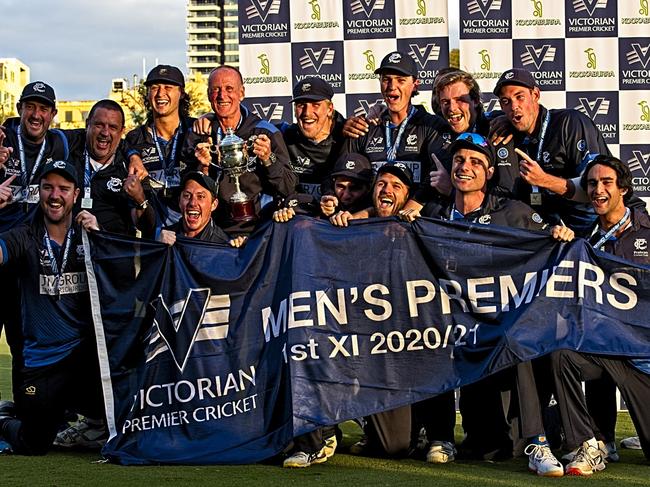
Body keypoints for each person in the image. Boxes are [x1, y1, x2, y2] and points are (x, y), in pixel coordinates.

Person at [420, 132, 574, 477]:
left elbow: (550, 241)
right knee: (486, 449)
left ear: (489, 173)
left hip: (497, 325)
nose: (465, 167)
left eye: (476, 162)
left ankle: (538, 442)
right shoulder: (433, 214)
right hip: (452, 326)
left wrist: (559, 237)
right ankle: (439, 437)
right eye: (459, 160)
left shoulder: (512, 211)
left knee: (516, 338)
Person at [552, 155, 650, 476]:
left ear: (623, 188)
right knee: (562, 353)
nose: (598, 190)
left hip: (642, 358)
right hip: (605, 352)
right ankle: (591, 442)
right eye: (592, 184)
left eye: (606, 182)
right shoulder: (585, 239)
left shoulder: (647, 233)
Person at [0, 160, 104, 455]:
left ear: (76, 194)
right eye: (48, 188)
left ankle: (95, 420)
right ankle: (4, 418)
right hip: (41, 362)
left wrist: (99, 236)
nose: (55, 195)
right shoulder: (24, 236)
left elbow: (123, 273)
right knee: (34, 444)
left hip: (83, 357)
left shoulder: (89, 235)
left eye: (63, 188)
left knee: (123, 389)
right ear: (39, 192)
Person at [492, 68, 609, 235]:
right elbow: (468, 115)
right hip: (555, 232)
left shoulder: (570, 123)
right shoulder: (507, 127)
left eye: (520, 97)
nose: (514, 107)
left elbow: (598, 188)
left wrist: (544, 180)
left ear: (536, 95)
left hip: (597, 227)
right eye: (506, 101)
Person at [183, 65, 296, 235]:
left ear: (241, 93)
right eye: (216, 90)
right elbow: (185, 192)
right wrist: (203, 168)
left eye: (229, 89)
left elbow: (288, 187)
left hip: (259, 229)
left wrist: (268, 158)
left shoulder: (265, 132)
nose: (222, 96)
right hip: (214, 232)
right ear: (208, 95)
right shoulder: (198, 134)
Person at [340, 51, 453, 215]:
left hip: (416, 224)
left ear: (415, 84)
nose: (392, 86)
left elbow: (436, 177)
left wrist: (407, 211)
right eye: (386, 79)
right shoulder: (365, 127)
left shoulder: (433, 126)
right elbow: (343, 172)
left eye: (401, 80)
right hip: (371, 223)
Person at [66, 99, 156, 237]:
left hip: (113, 253)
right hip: (69, 252)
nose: (105, 132)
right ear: (87, 124)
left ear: (122, 131)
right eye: (99, 125)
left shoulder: (133, 168)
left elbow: (146, 227)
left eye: (113, 127)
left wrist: (140, 199)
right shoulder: (68, 152)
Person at [125, 65, 195, 226]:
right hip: (153, 235)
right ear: (148, 94)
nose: (160, 93)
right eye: (154, 88)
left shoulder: (196, 130)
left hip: (192, 233)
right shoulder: (134, 138)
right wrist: (132, 156)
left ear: (181, 93)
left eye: (168, 87)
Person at [273, 153, 373, 223]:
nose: (346, 195)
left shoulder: (376, 214)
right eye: (340, 186)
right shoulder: (321, 206)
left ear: (368, 188)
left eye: (354, 188)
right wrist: (286, 217)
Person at [157, 171, 245, 247]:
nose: (192, 203)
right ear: (179, 201)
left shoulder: (222, 244)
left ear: (214, 204)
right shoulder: (163, 237)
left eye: (200, 196)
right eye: (187, 196)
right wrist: (158, 248)